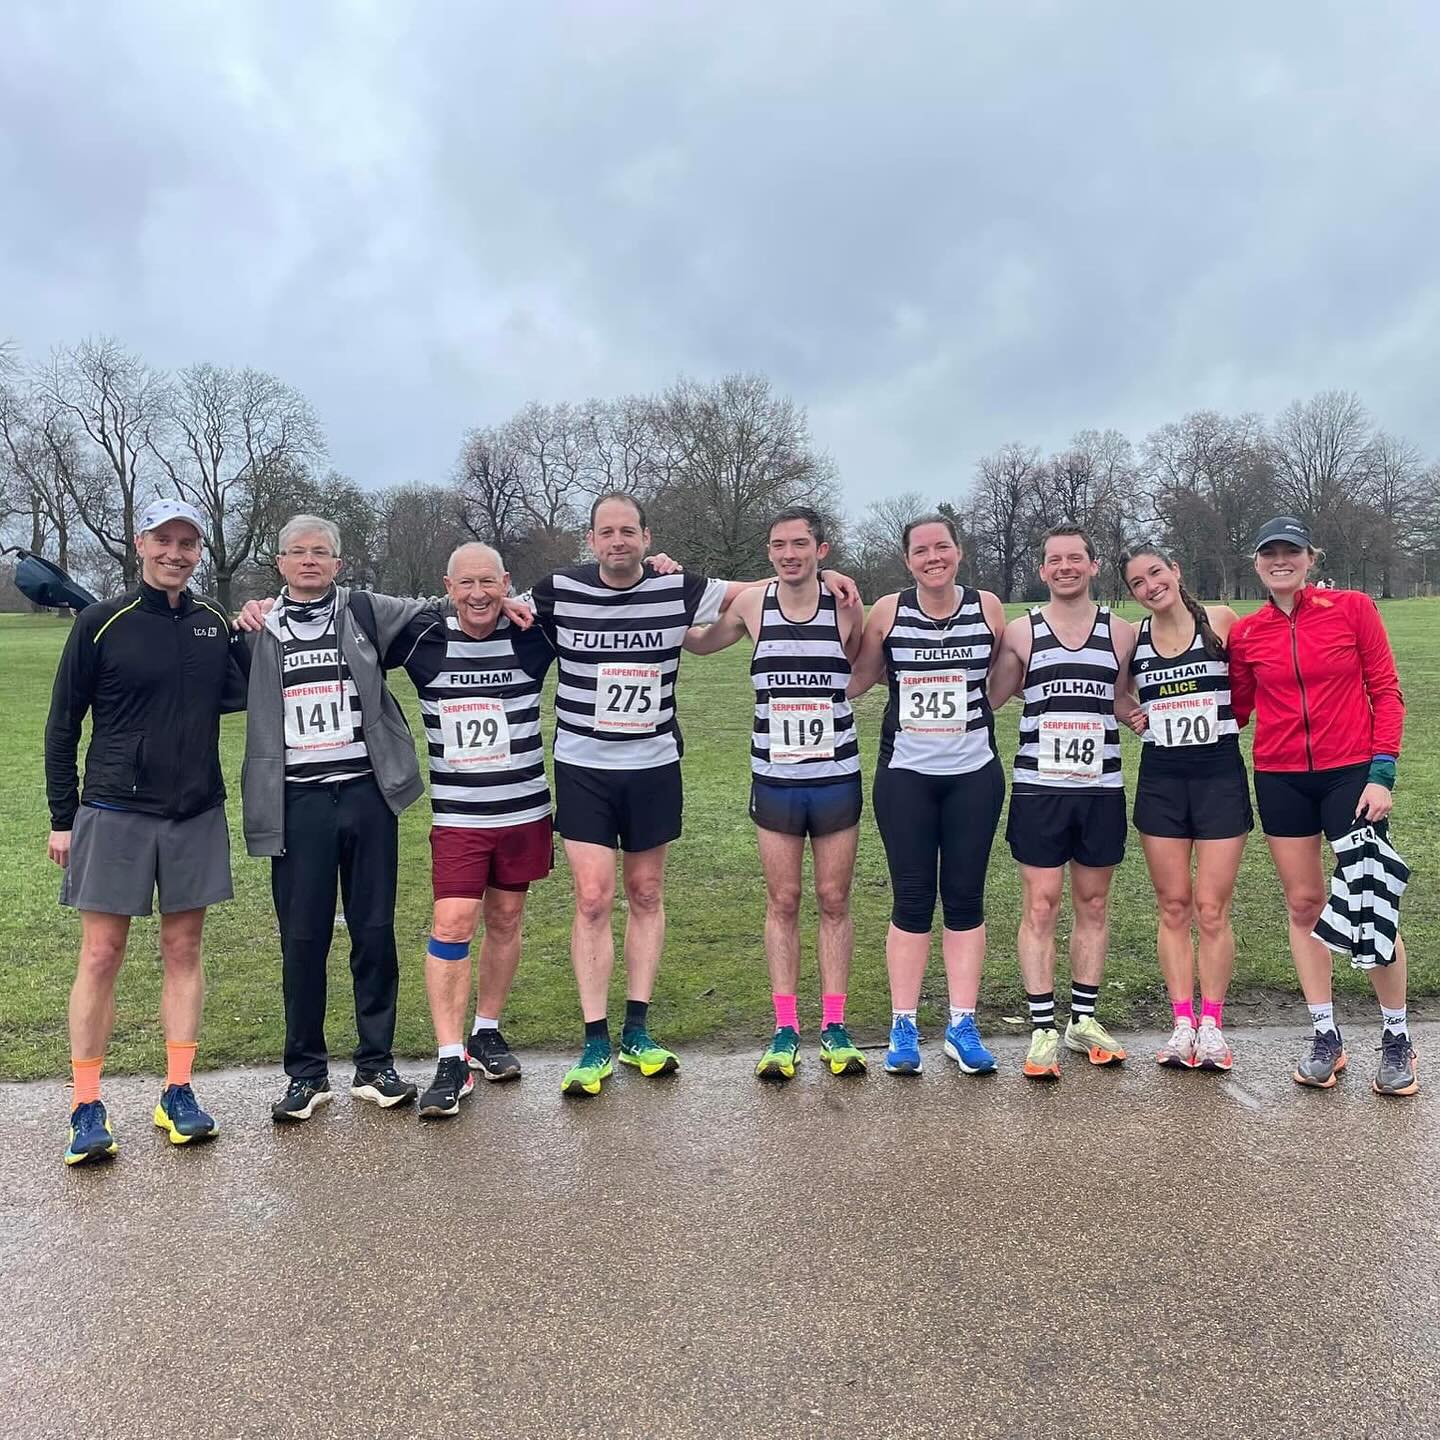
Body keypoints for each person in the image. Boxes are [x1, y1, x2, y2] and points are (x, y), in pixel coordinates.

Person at [518, 492, 858, 1096]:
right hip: (583, 765)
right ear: (591, 539)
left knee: (646, 893)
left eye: (628, 531)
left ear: (647, 538)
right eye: (606, 532)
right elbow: (495, 604)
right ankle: (594, 1040)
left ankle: (637, 1031)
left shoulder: (677, 587)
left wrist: (826, 575)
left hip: (653, 765)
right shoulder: (559, 588)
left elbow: (762, 588)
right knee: (593, 898)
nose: (617, 541)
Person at [44, 498, 249, 1165]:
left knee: (183, 949)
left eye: (188, 544)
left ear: (198, 552)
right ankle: (85, 1105)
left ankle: (178, 1092)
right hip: (114, 811)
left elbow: (246, 689)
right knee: (101, 955)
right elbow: (62, 724)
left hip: (195, 810)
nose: (175, 554)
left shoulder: (213, 623)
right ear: (141, 545)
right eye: (164, 541)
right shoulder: (101, 622)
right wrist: (63, 817)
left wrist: (252, 629)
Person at [241, 515, 432, 1122]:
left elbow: (439, 608)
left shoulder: (365, 610)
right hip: (297, 803)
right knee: (303, 939)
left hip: (366, 795)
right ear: (279, 563)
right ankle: (306, 1073)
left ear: (338, 563)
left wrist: (498, 595)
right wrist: (246, 614)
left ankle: (376, 1065)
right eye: (297, 552)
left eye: (320, 552)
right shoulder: (258, 626)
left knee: (374, 931)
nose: (309, 561)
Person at [1228, 516, 1415, 1096]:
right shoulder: (1248, 633)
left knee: (1369, 901)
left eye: (1291, 551)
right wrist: (1156, 709)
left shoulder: (1353, 608)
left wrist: (1381, 775)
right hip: (1280, 778)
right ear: (1257, 564)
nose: (1280, 561)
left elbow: (1386, 691)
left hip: (1350, 776)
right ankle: (1325, 1035)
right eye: (1269, 553)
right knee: (1305, 903)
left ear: (1311, 557)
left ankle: (1396, 1038)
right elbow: (1234, 709)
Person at [682, 506, 865, 1081]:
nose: (790, 554)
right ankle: (785, 1029)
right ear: (769, 552)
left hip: (835, 777)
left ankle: (834, 1025)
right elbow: (700, 644)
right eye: (779, 545)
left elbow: (864, 667)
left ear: (821, 549)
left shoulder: (845, 604)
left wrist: (836, 586)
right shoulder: (751, 605)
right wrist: (656, 594)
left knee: (834, 900)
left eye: (800, 544)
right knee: (783, 900)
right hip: (776, 780)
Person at [391, 543, 556, 1117]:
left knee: (506, 920)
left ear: (506, 583)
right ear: (448, 586)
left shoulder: (533, 634)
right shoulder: (423, 639)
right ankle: (450, 1057)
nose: (478, 594)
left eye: (489, 582)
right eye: (466, 583)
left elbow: (598, 597)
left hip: (524, 811)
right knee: (453, 923)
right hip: (460, 818)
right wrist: (267, 606)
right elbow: (354, 620)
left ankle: (486, 1030)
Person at [846, 515, 1006, 1077]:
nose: (933, 557)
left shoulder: (988, 607)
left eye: (942, 547)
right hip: (906, 777)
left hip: (974, 775)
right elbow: (860, 677)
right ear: (907, 559)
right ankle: (904, 1025)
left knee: (965, 898)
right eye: (921, 550)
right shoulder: (889, 611)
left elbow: (998, 678)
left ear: (959, 552)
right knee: (911, 899)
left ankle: (962, 1025)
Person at [988, 526, 1136, 1080]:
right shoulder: (1020, 631)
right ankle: (1043, 1027)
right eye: (1055, 560)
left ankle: (1084, 1020)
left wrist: (1146, 716)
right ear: (1043, 570)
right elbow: (992, 695)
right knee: (1041, 903)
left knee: (1093, 904)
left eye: (1076, 558)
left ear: (1094, 565)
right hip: (1039, 788)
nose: (1066, 567)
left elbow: (1121, 698)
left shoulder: (1121, 633)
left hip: (1100, 788)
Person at [1119, 545, 1250, 1072]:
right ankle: (1181, 1024)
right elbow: (1115, 694)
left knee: (1212, 908)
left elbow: (1252, 680)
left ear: (1175, 570)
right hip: (1163, 782)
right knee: (1174, 905)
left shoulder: (1220, 621)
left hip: (1219, 778)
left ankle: (1212, 1025)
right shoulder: (1134, 638)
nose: (1150, 585)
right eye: (1137, 582)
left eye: (1156, 572)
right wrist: (1132, 714)